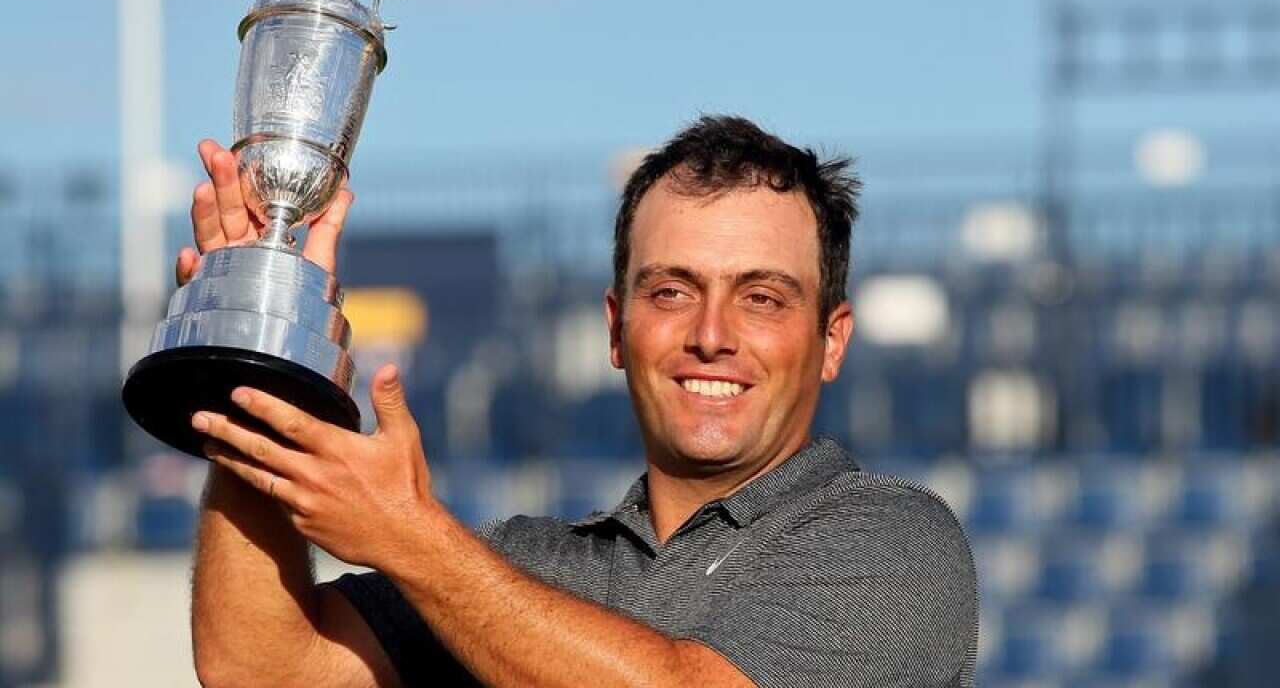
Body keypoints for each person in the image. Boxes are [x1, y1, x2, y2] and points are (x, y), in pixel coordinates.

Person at [182, 115, 978, 688]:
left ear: (832, 341)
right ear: (616, 326)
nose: (711, 334)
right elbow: (261, 669)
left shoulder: (895, 541)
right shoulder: (517, 568)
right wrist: (264, 350)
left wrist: (413, 538)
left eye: (762, 298)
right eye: (671, 291)